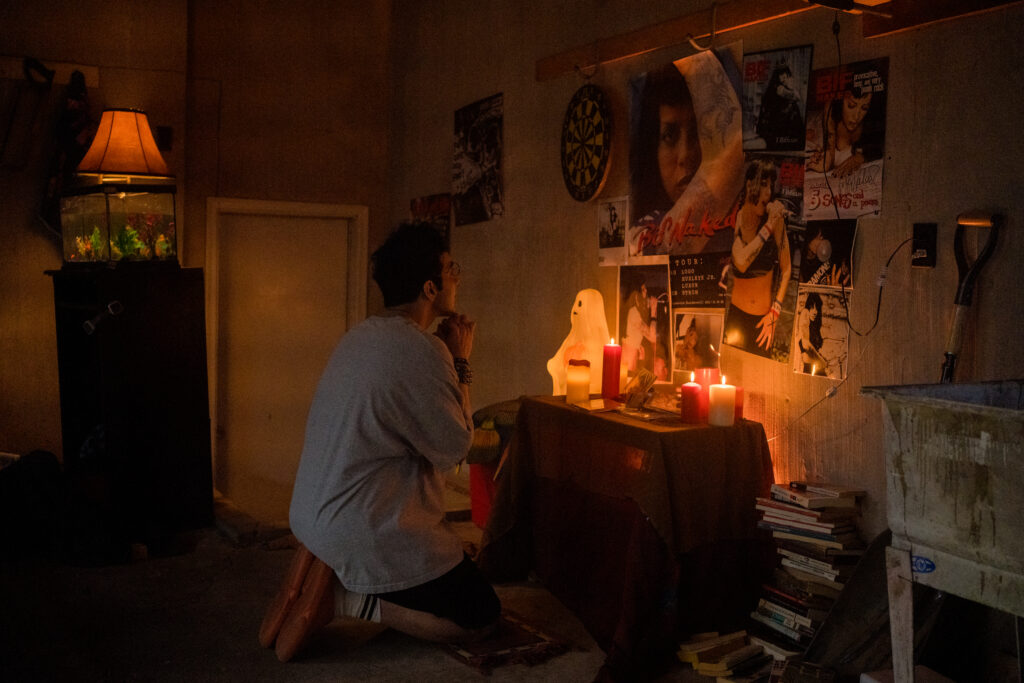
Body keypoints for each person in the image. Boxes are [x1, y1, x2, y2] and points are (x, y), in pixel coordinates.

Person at [261, 222, 500, 662]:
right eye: (451, 270)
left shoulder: (359, 336)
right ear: (430, 288)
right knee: (480, 615)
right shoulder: (424, 351)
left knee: (454, 564)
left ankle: (327, 564)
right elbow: (455, 449)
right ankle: (350, 599)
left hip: (313, 512)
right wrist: (461, 359)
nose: (457, 278)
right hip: (361, 527)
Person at [630, 51, 745, 255]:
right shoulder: (642, 234)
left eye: (698, 132)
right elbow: (730, 153)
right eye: (669, 136)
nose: (685, 156)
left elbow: (731, 148)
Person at [724, 158, 792, 358]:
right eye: (763, 185)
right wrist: (769, 225)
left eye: (771, 186)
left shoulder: (775, 221)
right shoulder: (737, 217)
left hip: (762, 321)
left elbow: (787, 269)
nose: (768, 193)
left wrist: (775, 313)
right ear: (749, 184)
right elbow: (742, 262)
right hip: (736, 316)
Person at [806, 82, 881, 179]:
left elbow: (879, 148)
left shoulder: (871, 125)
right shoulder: (831, 110)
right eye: (851, 105)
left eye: (864, 108)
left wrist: (859, 158)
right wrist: (824, 165)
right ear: (841, 103)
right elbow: (828, 156)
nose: (856, 116)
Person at [755, 62, 804, 150]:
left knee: (793, 107)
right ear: (777, 76)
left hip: (781, 119)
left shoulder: (783, 86)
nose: (783, 77)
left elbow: (797, 97)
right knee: (793, 106)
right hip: (776, 120)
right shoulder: (778, 88)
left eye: (785, 74)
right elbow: (796, 97)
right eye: (780, 75)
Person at [797, 292, 827, 375]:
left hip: (816, 368)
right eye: (812, 307)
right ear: (808, 307)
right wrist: (822, 361)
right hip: (810, 368)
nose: (815, 312)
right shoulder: (805, 313)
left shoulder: (814, 325)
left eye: (817, 308)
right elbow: (806, 344)